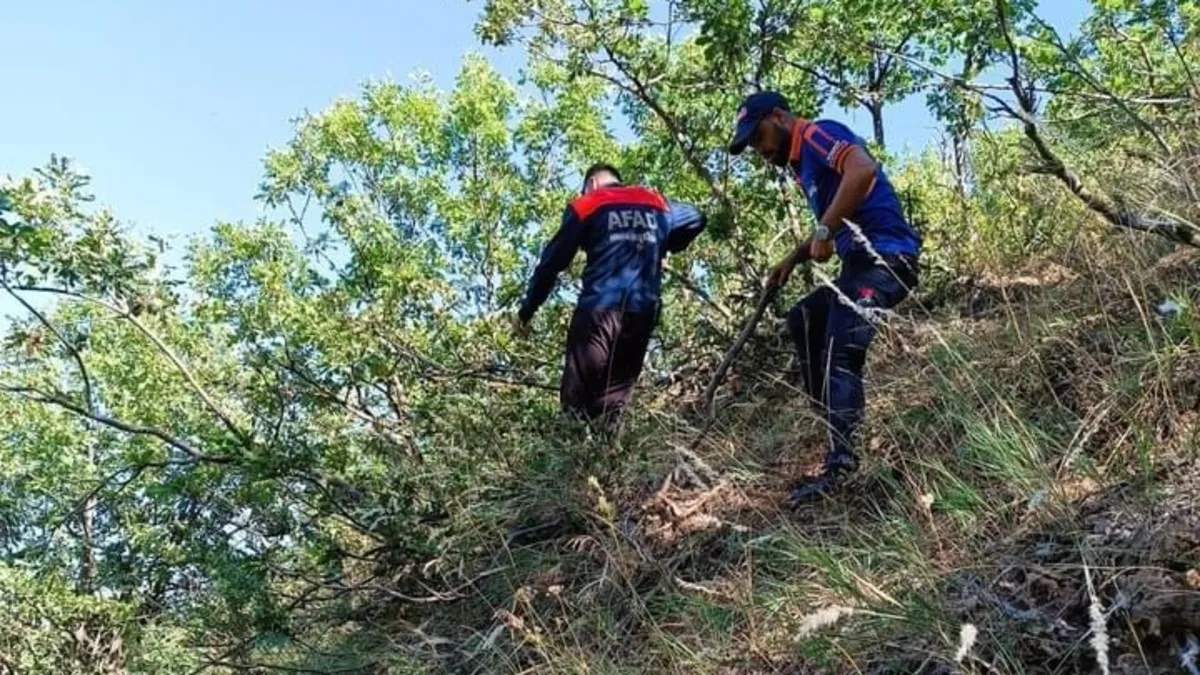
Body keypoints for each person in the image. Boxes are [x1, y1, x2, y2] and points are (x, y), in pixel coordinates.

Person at [727, 91, 922, 505]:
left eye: (758, 136)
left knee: (840, 349)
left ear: (778, 117)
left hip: (888, 257)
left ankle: (843, 467)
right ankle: (839, 428)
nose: (759, 150)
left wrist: (823, 231)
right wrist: (793, 258)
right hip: (858, 266)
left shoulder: (817, 135)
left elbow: (862, 170)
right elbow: (833, 217)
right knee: (804, 321)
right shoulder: (802, 167)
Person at [514, 163, 707, 432]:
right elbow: (697, 217)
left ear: (591, 184)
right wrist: (663, 244)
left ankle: (574, 463)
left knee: (577, 398)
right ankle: (607, 463)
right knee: (613, 403)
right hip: (641, 313)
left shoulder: (587, 203)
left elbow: (551, 263)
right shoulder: (656, 201)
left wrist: (527, 310)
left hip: (599, 309)